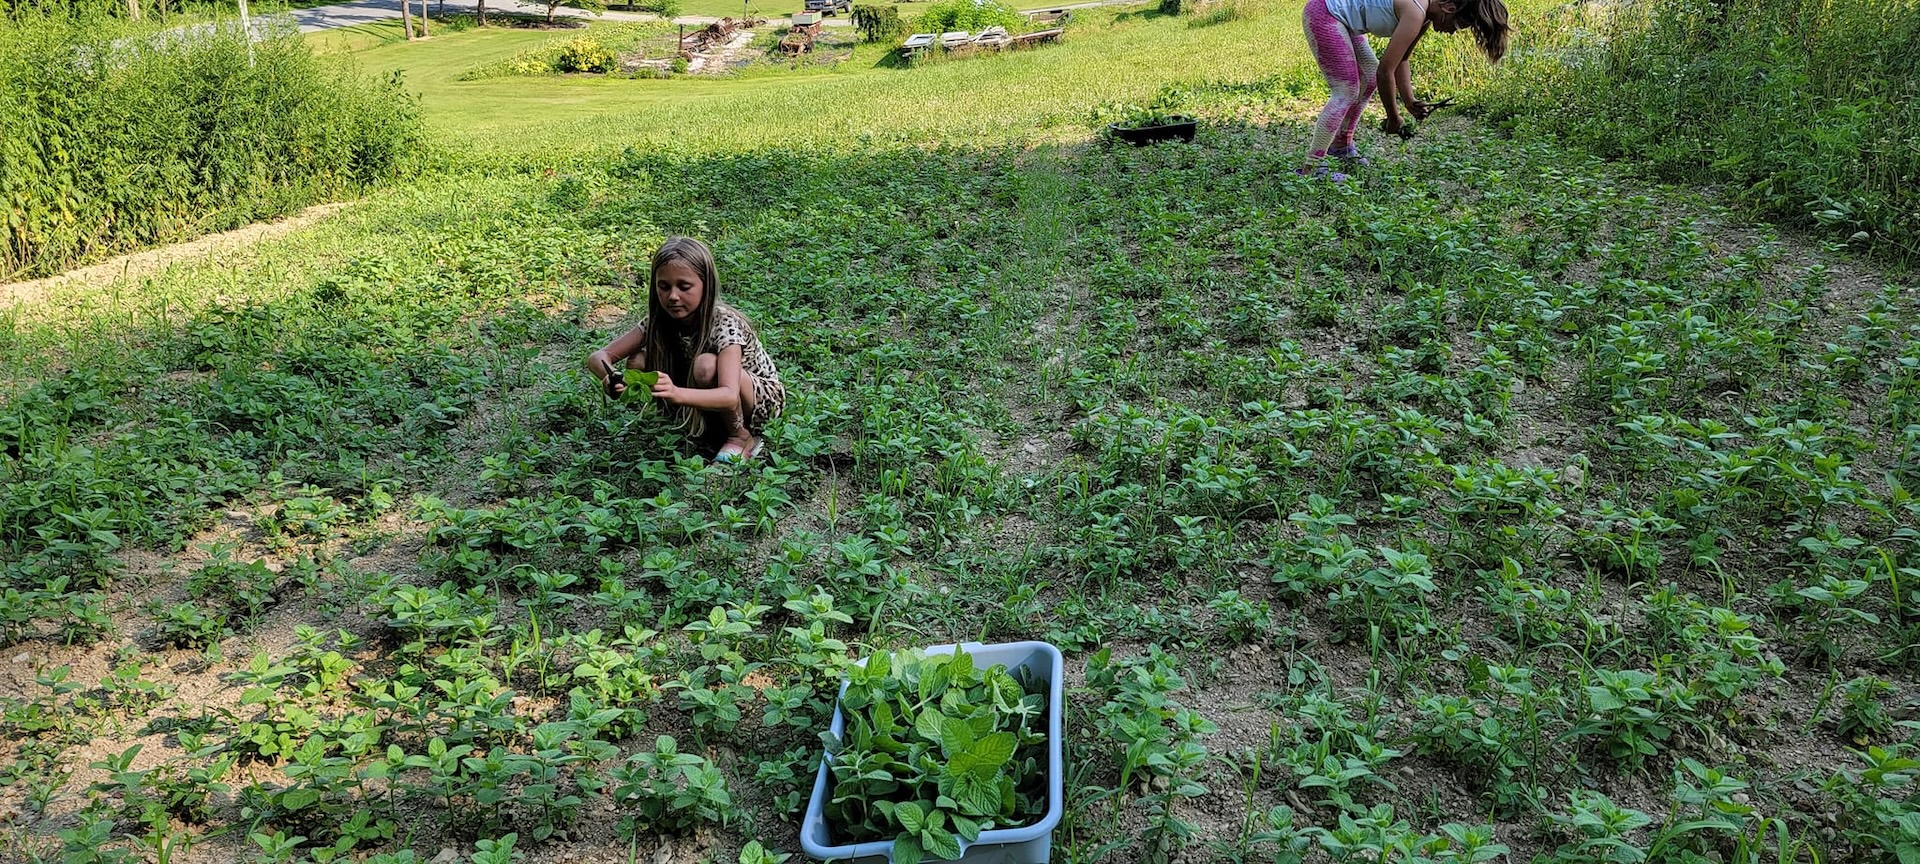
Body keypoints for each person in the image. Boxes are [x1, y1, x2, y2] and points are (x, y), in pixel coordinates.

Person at [586, 237, 786, 464]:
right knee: (638, 361)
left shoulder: (725, 323)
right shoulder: (657, 322)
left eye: (684, 286)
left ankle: (740, 437)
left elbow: (730, 395)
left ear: (706, 285)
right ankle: (696, 423)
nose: (673, 296)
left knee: (706, 366)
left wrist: (676, 393)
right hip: (709, 392)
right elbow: (598, 357)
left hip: (759, 402)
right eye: (664, 286)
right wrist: (610, 377)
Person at [1299, 0, 1510, 180]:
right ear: (1450, 8)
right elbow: (1386, 71)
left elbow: (1402, 60)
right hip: (1325, 13)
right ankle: (1312, 167)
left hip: (1342, 19)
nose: (1453, 32)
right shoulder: (1415, 12)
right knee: (1346, 90)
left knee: (1368, 76)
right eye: (1459, 25)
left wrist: (1409, 101)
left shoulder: (1424, 16)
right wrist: (1393, 117)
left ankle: (1341, 145)